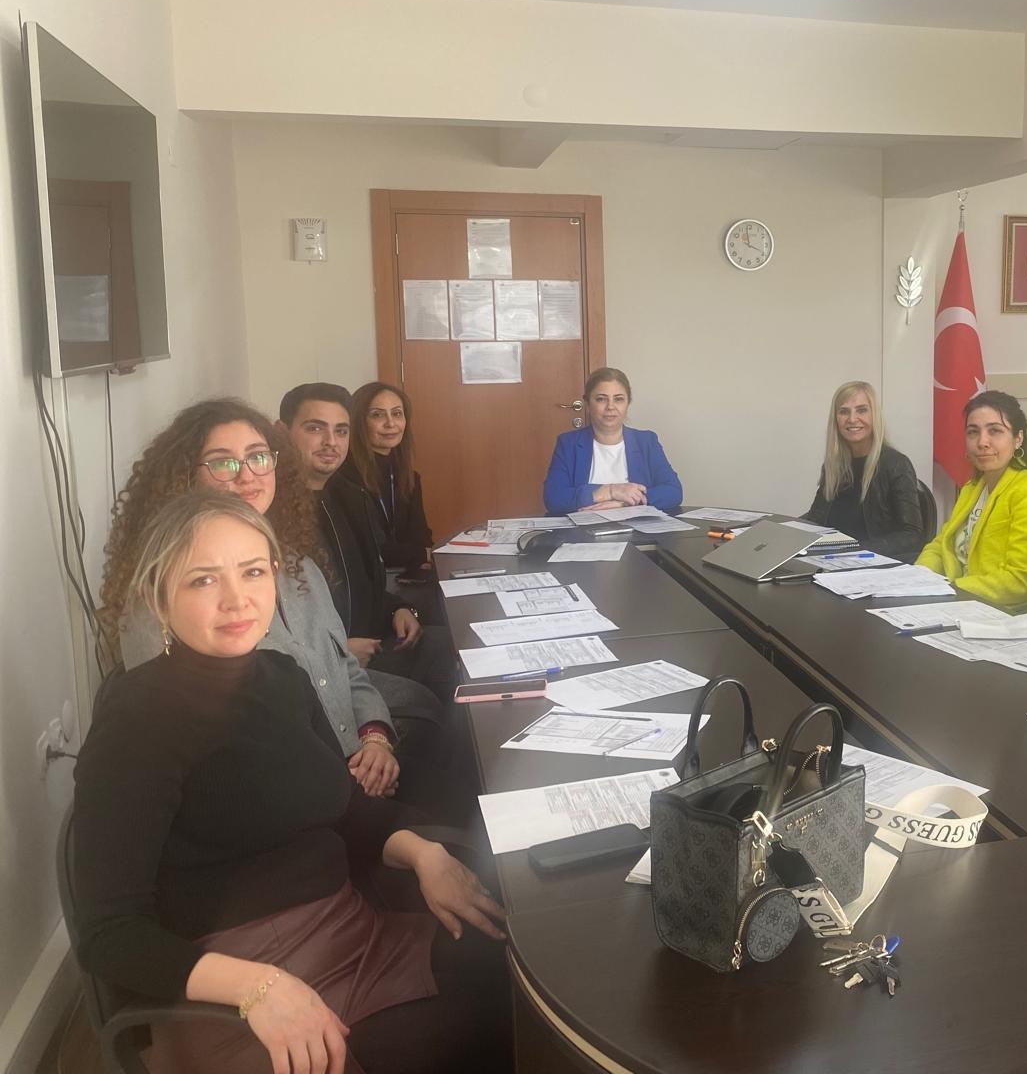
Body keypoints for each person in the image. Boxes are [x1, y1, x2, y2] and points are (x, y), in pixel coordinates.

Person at [74, 491, 509, 1074]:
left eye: (253, 571)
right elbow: (109, 935)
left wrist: (424, 853)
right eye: (203, 580)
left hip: (350, 934)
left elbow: (344, 808)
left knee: (510, 973)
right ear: (158, 597)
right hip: (233, 990)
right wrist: (259, 989)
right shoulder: (136, 716)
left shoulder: (283, 676)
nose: (236, 599)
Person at [101, 398, 442, 801]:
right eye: (223, 462)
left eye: (258, 457)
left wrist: (375, 739)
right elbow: (191, 749)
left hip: (348, 771)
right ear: (185, 477)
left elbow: (346, 669)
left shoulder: (299, 567)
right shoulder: (160, 597)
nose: (247, 475)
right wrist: (342, 789)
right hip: (278, 797)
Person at [281, 383, 460, 701]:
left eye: (340, 431)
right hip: (329, 663)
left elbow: (365, 582)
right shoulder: (273, 512)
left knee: (456, 647)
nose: (330, 442)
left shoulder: (349, 499)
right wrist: (338, 649)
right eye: (315, 428)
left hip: (372, 638)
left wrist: (398, 608)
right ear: (282, 432)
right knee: (424, 701)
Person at [917, 391, 1027, 608]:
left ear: (1018, 438)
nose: (982, 442)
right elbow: (941, 545)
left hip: (1007, 613)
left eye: (995, 431)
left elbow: (1022, 580)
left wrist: (951, 590)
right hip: (960, 603)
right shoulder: (973, 487)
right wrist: (917, 578)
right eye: (973, 432)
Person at [801, 381, 925, 560]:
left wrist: (856, 550)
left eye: (861, 410)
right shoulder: (833, 465)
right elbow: (816, 519)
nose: (852, 419)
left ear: (874, 416)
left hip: (869, 563)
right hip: (831, 561)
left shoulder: (896, 464)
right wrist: (786, 536)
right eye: (844, 411)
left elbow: (913, 535)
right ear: (835, 419)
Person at [543, 367, 683, 514]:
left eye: (618, 399)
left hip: (636, 527)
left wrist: (626, 502)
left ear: (628, 403)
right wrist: (610, 491)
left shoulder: (646, 441)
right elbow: (553, 498)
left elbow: (673, 491)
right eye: (601, 399)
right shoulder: (568, 443)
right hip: (584, 527)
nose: (610, 407)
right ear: (588, 404)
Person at [344, 382, 434, 581]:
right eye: (377, 415)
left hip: (408, 578)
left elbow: (421, 536)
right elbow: (370, 549)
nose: (391, 423)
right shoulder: (345, 479)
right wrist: (420, 554)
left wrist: (421, 555)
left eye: (397, 413)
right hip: (366, 582)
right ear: (359, 421)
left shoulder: (408, 476)